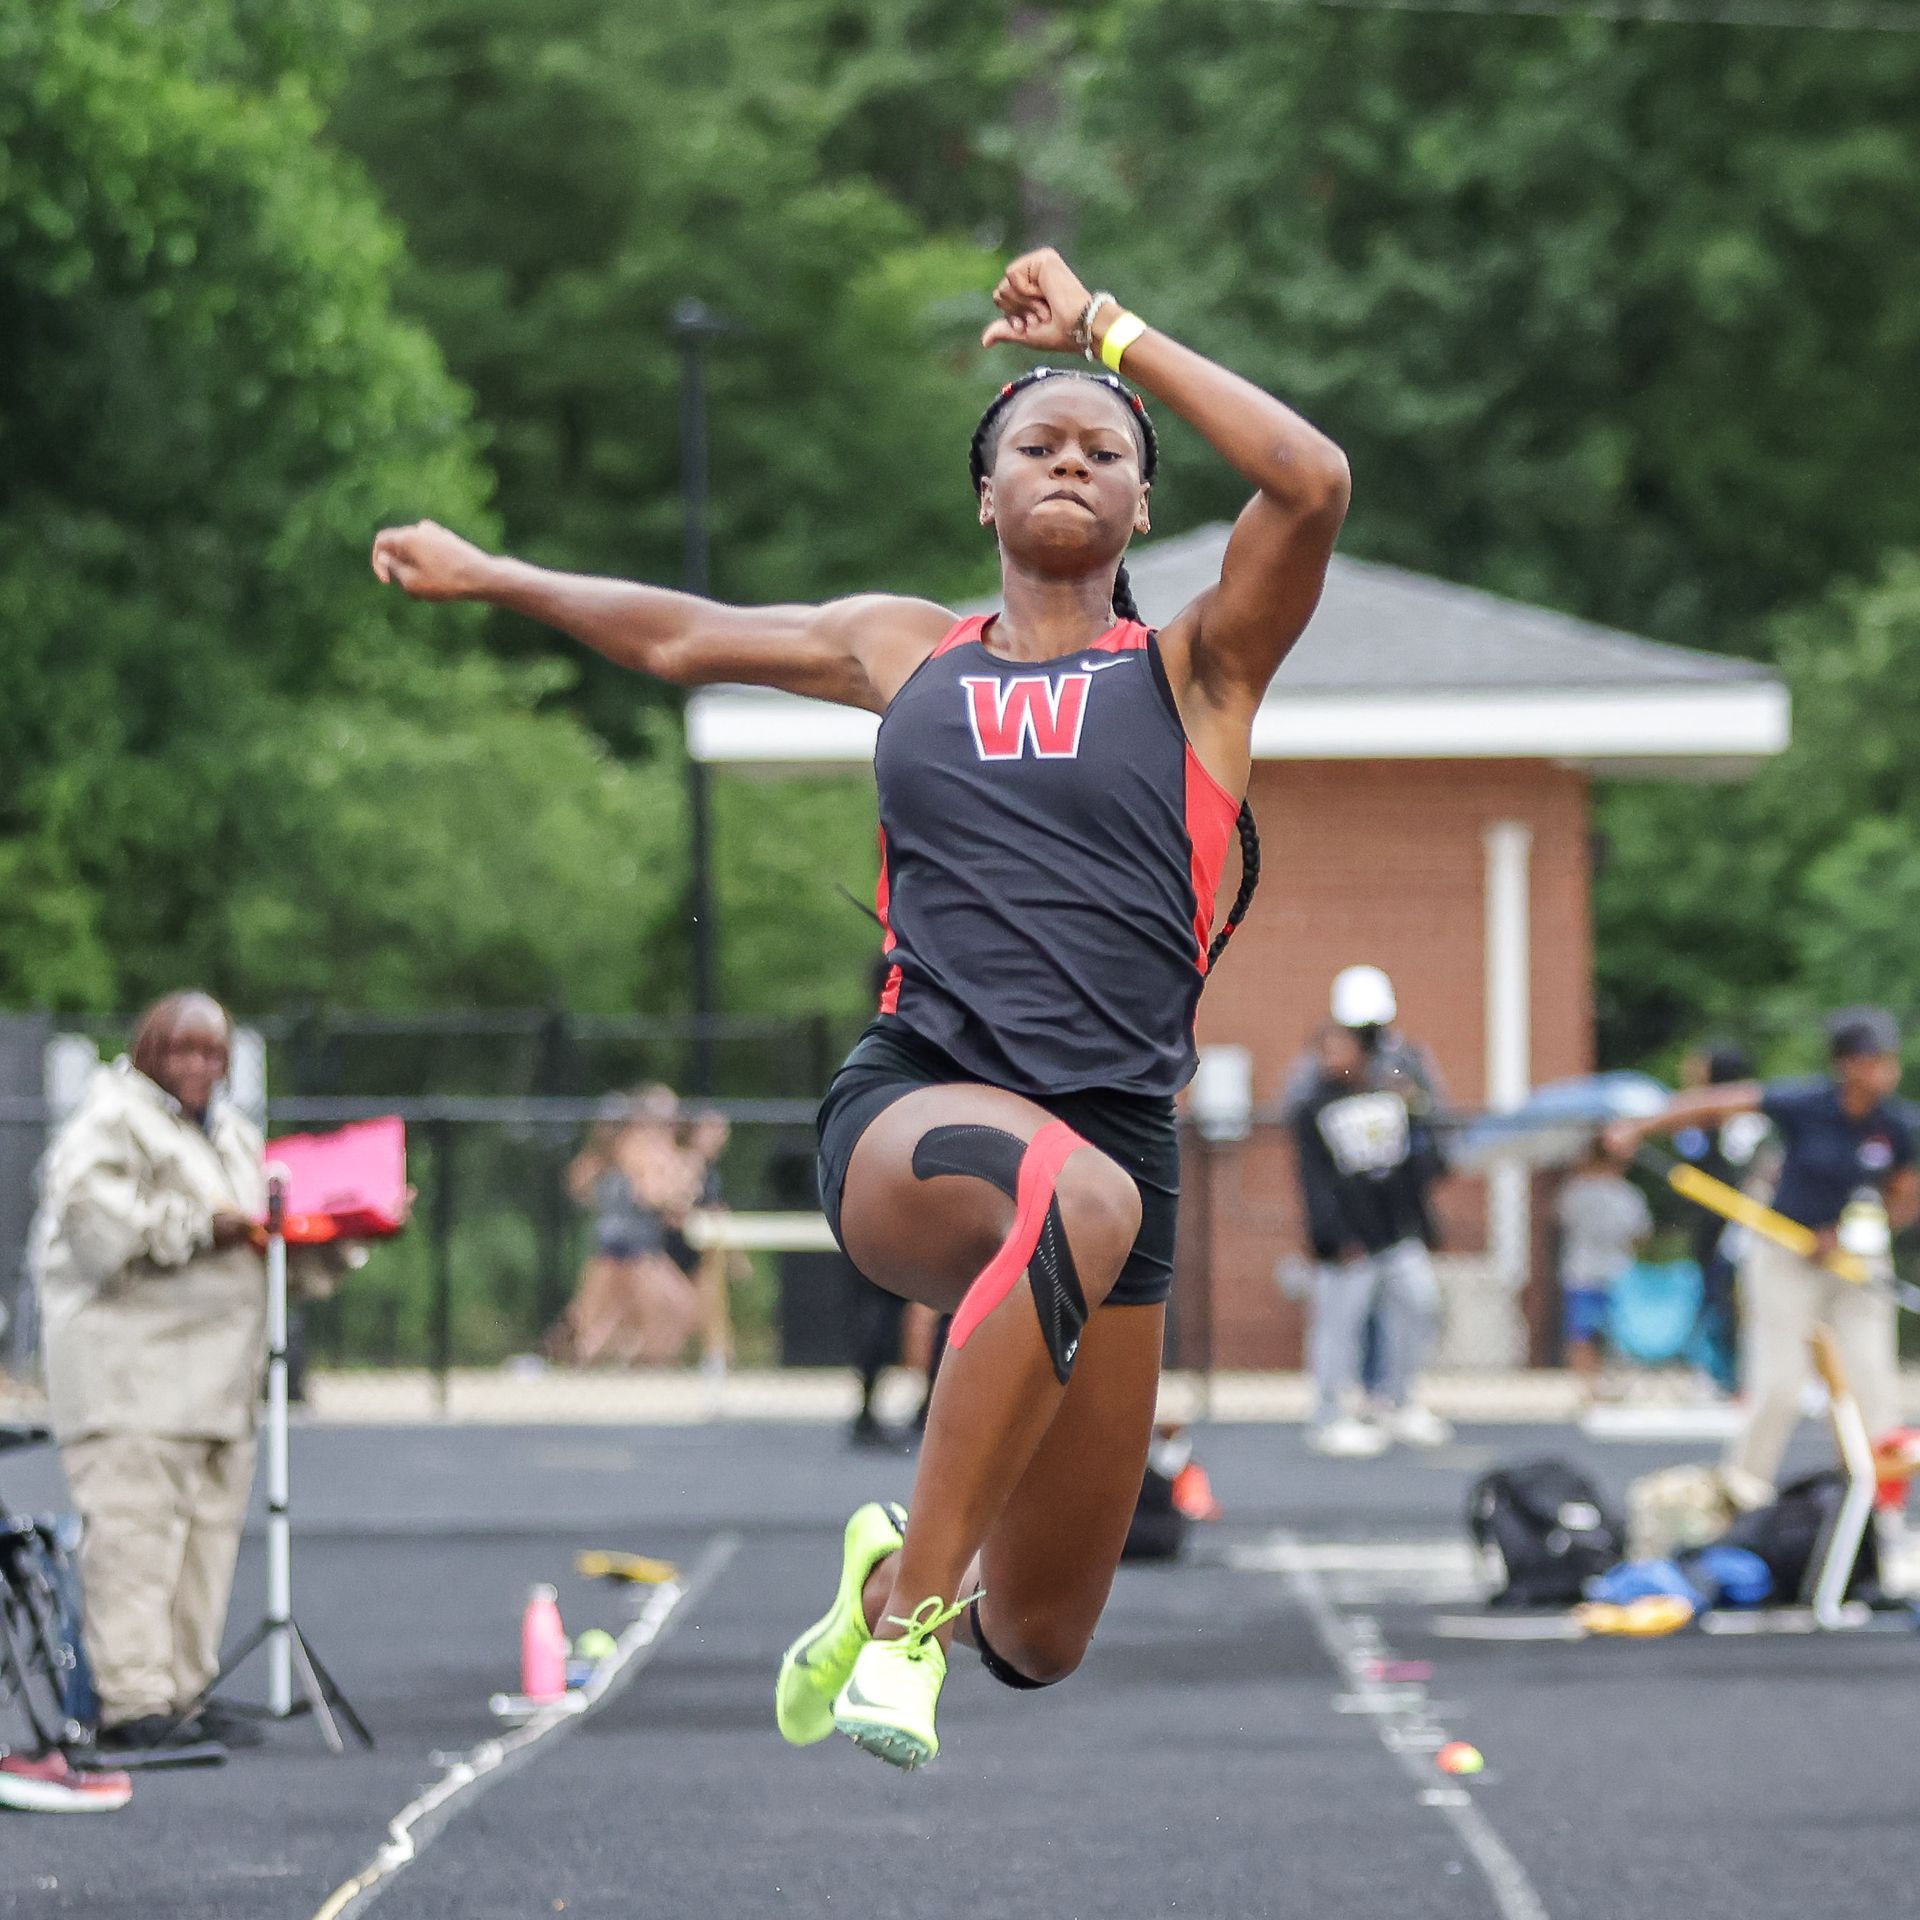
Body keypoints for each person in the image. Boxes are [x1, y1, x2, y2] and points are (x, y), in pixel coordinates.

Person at [373, 244, 1349, 1770]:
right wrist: (494, 574)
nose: (1075, 460)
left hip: (1117, 1158)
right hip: (916, 1111)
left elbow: (1311, 480)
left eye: (1108, 451)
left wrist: (1109, 334)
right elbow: (683, 634)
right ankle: (907, 1632)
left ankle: (900, 1578)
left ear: (1144, 506)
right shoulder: (909, 651)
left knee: (1040, 1636)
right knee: (1063, 1194)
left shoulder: (1201, 671)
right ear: (987, 493)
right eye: (1041, 441)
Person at [31, 993, 353, 1754]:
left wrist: (345, 1229)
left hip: (215, 1384)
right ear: (147, 1050)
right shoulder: (112, 1118)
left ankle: (179, 1690)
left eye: (213, 1052)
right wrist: (203, 1224)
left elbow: (268, 1251)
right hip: (132, 1380)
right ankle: (132, 1700)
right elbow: (94, 1224)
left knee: (204, 1548)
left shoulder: (233, 1137)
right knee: (135, 1542)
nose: (198, 1066)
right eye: (181, 1049)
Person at [1607, 1008, 1919, 1496]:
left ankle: (1877, 1503)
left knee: (1872, 1385)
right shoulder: (1809, 1104)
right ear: (1847, 1064)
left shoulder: (1895, 1125)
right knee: (1779, 1386)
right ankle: (1745, 1493)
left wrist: (1858, 1229)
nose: (1886, 1068)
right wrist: (1641, 1127)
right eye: (1874, 1058)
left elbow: (1902, 1196)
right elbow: (1722, 1103)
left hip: (1856, 1260)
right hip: (1787, 1252)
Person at [1290, 1022, 1451, 1456]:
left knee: (1420, 1306)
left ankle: (1396, 1401)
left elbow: (1426, 1165)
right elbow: (1313, 1180)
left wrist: (1417, 1109)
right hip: (1348, 1242)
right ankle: (1328, 1415)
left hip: (1396, 1233)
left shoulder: (1391, 1098)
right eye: (1324, 1048)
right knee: (1338, 1328)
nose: (1332, 1057)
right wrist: (1332, 1235)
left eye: (1340, 1046)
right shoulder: (1312, 1107)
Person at [1672, 1042, 1759, 1395]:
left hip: (1741, 1226)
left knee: (1741, 1300)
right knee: (1713, 1297)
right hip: (1710, 1225)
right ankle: (1718, 1373)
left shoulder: (1747, 1121)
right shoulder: (1698, 1119)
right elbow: (1689, 1150)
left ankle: (1744, 1378)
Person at [1554, 1142, 1653, 1389]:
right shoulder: (1628, 1195)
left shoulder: (1574, 1191)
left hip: (1581, 1270)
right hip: (1618, 1271)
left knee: (1581, 1333)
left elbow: (1559, 1219)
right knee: (1620, 1331)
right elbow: (1641, 1234)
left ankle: (1586, 1383)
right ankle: (1617, 1382)